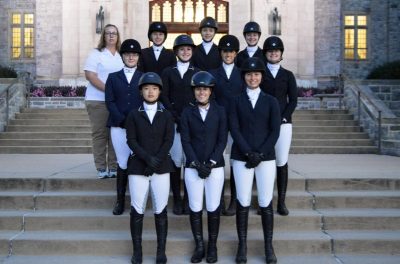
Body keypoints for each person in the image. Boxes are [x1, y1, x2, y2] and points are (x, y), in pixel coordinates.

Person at [229, 57, 281, 264]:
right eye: (249, 74)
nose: (253, 77)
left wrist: (260, 153)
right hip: (242, 156)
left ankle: (269, 246)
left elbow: (275, 131)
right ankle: (242, 246)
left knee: (265, 201)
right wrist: (249, 152)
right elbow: (234, 128)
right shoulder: (235, 100)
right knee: (242, 201)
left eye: (256, 74)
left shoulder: (271, 101)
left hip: (265, 158)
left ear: (261, 76)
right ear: (244, 77)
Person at [125, 72, 175, 264]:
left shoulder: (166, 115)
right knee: (137, 209)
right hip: (139, 167)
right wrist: (147, 159)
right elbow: (131, 140)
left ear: (159, 91)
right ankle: (137, 251)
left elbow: (168, 140)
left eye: (154, 88)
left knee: (160, 209)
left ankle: (160, 251)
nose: (151, 91)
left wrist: (156, 160)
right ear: (141, 91)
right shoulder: (134, 114)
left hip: (161, 167)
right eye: (147, 88)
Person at [180, 71, 228, 263]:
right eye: (198, 89)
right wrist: (196, 163)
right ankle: (199, 245)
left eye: (205, 89)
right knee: (195, 206)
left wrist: (211, 163)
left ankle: (212, 246)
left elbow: (222, 139)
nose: (202, 92)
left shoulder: (220, 111)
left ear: (211, 91)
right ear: (194, 91)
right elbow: (185, 140)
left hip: (214, 167)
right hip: (193, 167)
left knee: (214, 206)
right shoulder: (186, 112)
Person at [161, 34, 200, 215]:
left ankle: (188, 199)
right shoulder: (168, 72)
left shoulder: (198, 72)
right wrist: (176, 117)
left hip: (192, 125)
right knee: (176, 163)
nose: (185, 52)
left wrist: (188, 119)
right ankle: (177, 198)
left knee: (191, 161)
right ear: (176, 51)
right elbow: (164, 97)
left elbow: (200, 97)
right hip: (174, 123)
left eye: (188, 49)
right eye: (182, 49)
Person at [105, 39, 143, 215]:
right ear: (122, 56)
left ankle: (138, 200)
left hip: (139, 127)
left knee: (137, 160)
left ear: (138, 57)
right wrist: (121, 119)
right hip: (119, 125)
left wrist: (136, 121)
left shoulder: (144, 77)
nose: (131, 57)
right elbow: (110, 101)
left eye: (134, 54)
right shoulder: (113, 77)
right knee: (122, 162)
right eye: (128, 54)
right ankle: (120, 200)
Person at [261, 36, 298, 216]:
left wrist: (283, 117)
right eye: (270, 51)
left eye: (276, 51)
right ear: (265, 54)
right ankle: (264, 202)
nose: (273, 53)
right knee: (263, 162)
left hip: (283, 124)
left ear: (281, 54)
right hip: (263, 125)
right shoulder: (259, 74)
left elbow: (293, 101)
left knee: (281, 162)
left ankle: (281, 201)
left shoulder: (288, 75)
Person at [209, 35, 245, 216]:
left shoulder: (242, 73)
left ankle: (234, 200)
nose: (228, 54)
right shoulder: (213, 74)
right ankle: (220, 199)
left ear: (236, 53)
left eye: (231, 51)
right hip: (219, 123)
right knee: (219, 162)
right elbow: (211, 98)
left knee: (236, 162)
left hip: (238, 123)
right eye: (225, 51)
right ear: (220, 53)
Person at [84, 24, 123, 179]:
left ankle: (114, 167)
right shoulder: (96, 54)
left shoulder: (121, 55)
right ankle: (101, 168)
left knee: (115, 134)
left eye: (114, 33)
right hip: (97, 100)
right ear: (104, 36)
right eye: (108, 33)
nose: (111, 36)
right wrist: (109, 91)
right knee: (100, 134)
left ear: (118, 36)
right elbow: (90, 76)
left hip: (117, 102)